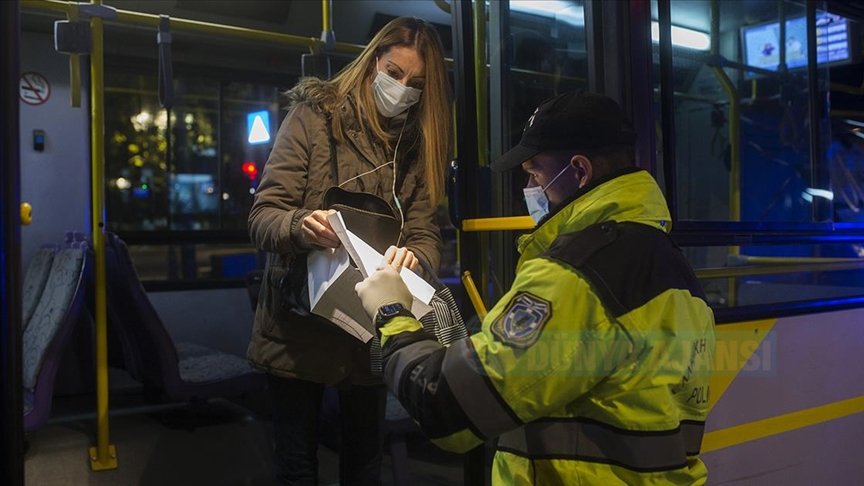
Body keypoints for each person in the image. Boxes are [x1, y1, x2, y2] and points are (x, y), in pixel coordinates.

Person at [356, 91, 717, 484]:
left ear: (579, 171)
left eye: (535, 173)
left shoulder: (575, 275)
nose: (529, 186)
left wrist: (391, 312)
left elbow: (447, 407)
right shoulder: (672, 266)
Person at [246, 17, 451, 485]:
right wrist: (302, 226)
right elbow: (263, 217)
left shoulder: (416, 146)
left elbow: (426, 235)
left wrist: (415, 258)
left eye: (416, 84)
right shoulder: (313, 118)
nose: (401, 90)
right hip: (297, 328)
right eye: (394, 74)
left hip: (373, 329)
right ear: (373, 61)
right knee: (298, 465)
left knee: (364, 465)